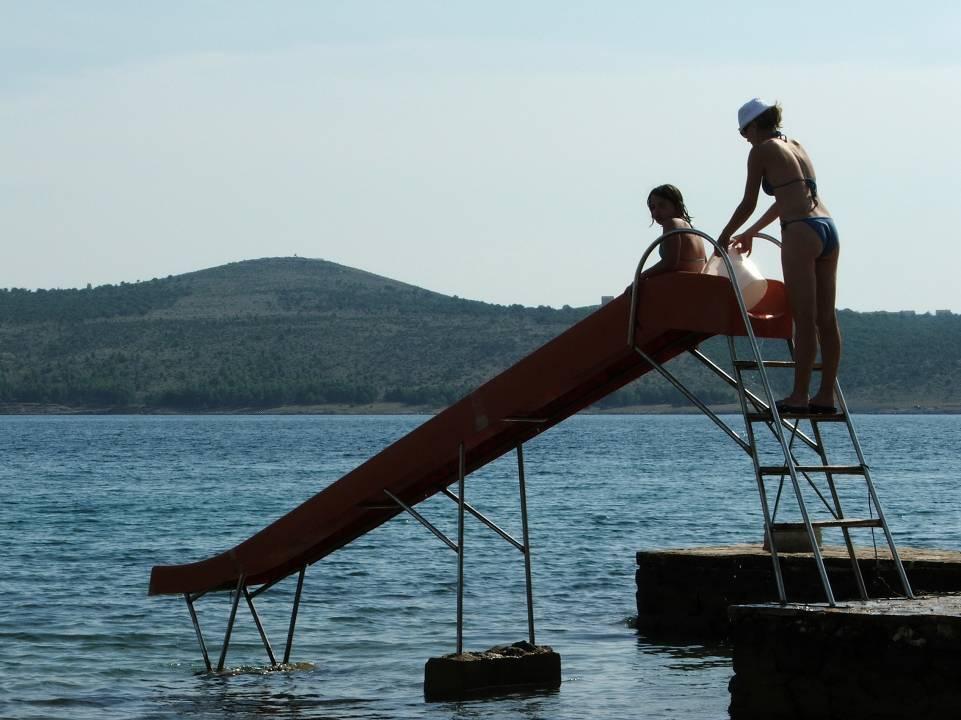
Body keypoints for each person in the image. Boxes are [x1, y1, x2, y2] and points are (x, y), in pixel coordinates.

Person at [716, 99, 841, 415]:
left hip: (800, 231)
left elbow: (748, 202)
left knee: (804, 319)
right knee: (826, 320)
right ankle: (826, 396)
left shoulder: (761, 151)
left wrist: (724, 235)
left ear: (754, 125)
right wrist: (752, 232)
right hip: (827, 227)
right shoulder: (795, 145)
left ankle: (799, 396)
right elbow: (789, 196)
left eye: (744, 132)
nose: (745, 138)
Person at [640, 184, 707, 279]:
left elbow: (669, 263)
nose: (656, 212)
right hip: (698, 283)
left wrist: (641, 276)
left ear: (677, 206)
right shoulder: (694, 232)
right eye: (653, 207)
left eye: (662, 205)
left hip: (680, 284)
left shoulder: (671, 224)